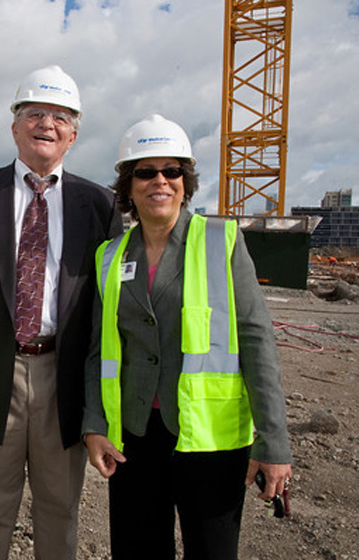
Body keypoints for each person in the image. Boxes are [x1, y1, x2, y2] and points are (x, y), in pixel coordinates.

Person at [82, 114, 293, 559]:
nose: (160, 180)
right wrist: (95, 426)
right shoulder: (110, 256)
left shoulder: (222, 241)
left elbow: (257, 343)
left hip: (211, 441)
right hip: (135, 438)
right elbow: (97, 350)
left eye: (171, 170)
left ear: (185, 180)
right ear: (128, 184)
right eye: (145, 171)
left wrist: (273, 442)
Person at [0, 65, 122, 560]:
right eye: (34, 113)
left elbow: (107, 304)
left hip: (65, 376)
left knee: (60, 508)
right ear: (14, 126)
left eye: (60, 117)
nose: (47, 124)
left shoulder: (99, 204)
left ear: (74, 135)